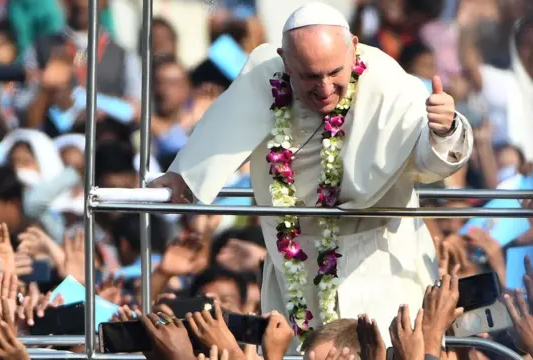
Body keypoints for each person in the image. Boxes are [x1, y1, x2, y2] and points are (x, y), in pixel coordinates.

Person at [150, 2, 473, 352]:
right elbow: (216, 141)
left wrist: (445, 130)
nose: (324, 88)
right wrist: (181, 178)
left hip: (378, 261)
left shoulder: (388, 80)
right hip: (294, 265)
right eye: (309, 76)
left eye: (334, 72)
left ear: (353, 46)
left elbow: (429, 163)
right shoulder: (263, 75)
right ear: (285, 61)